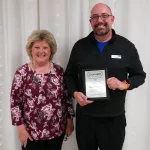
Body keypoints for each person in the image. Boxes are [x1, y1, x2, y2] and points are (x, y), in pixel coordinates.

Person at [64, 3, 146, 150]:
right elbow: (69, 76)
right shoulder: (79, 47)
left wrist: (124, 84)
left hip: (113, 120)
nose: (100, 20)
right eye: (95, 17)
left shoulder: (126, 47)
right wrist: (75, 94)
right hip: (86, 119)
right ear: (90, 22)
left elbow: (140, 75)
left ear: (112, 19)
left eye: (104, 16)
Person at [10, 29, 75, 150]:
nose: (41, 51)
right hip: (31, 134)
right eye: (37, 47)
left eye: (45, 47)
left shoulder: (59, 72)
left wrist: (70, 122)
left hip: (56, 132)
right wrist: (20, 129)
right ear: (30, 49)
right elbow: (15, 103)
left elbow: (67, 99)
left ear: (51, 50)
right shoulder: (22, 73)